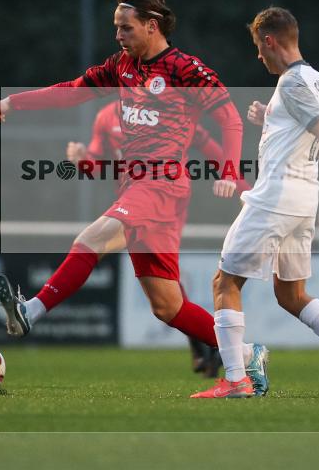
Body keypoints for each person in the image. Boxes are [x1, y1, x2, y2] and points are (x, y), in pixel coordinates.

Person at [0, 0, 267, 388]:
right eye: (116, 28)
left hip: (162, 185)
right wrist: (15, 104)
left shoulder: (185, 69)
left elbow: (230, 120)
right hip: (135, 188)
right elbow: (71, 92)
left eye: (126, 27)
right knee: (168, 306)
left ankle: (31, 310)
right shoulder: (122, 66)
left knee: (93, 237)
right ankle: (246, 353)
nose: (118, 35)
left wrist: (227, 170)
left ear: (152, 26)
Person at [191, 7, 319, 399]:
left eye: (259, 47)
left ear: (270, 41)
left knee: (225, 281)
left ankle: (237, 379)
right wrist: (268, 116)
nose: (258, 56)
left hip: (275, 197)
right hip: (301, 201)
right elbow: (306, 131)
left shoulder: (291, 82)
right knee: (290, 295)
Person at [66, 100, 254, 377]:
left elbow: (209, 147)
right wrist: (82, 160)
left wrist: (244, 189)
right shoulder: (105, 117)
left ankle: (208, 344)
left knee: (164, 278)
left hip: (167, 202)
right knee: (166, 282)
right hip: (131, 201)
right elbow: (94, 165)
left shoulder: (166, 113)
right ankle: (205, 343)